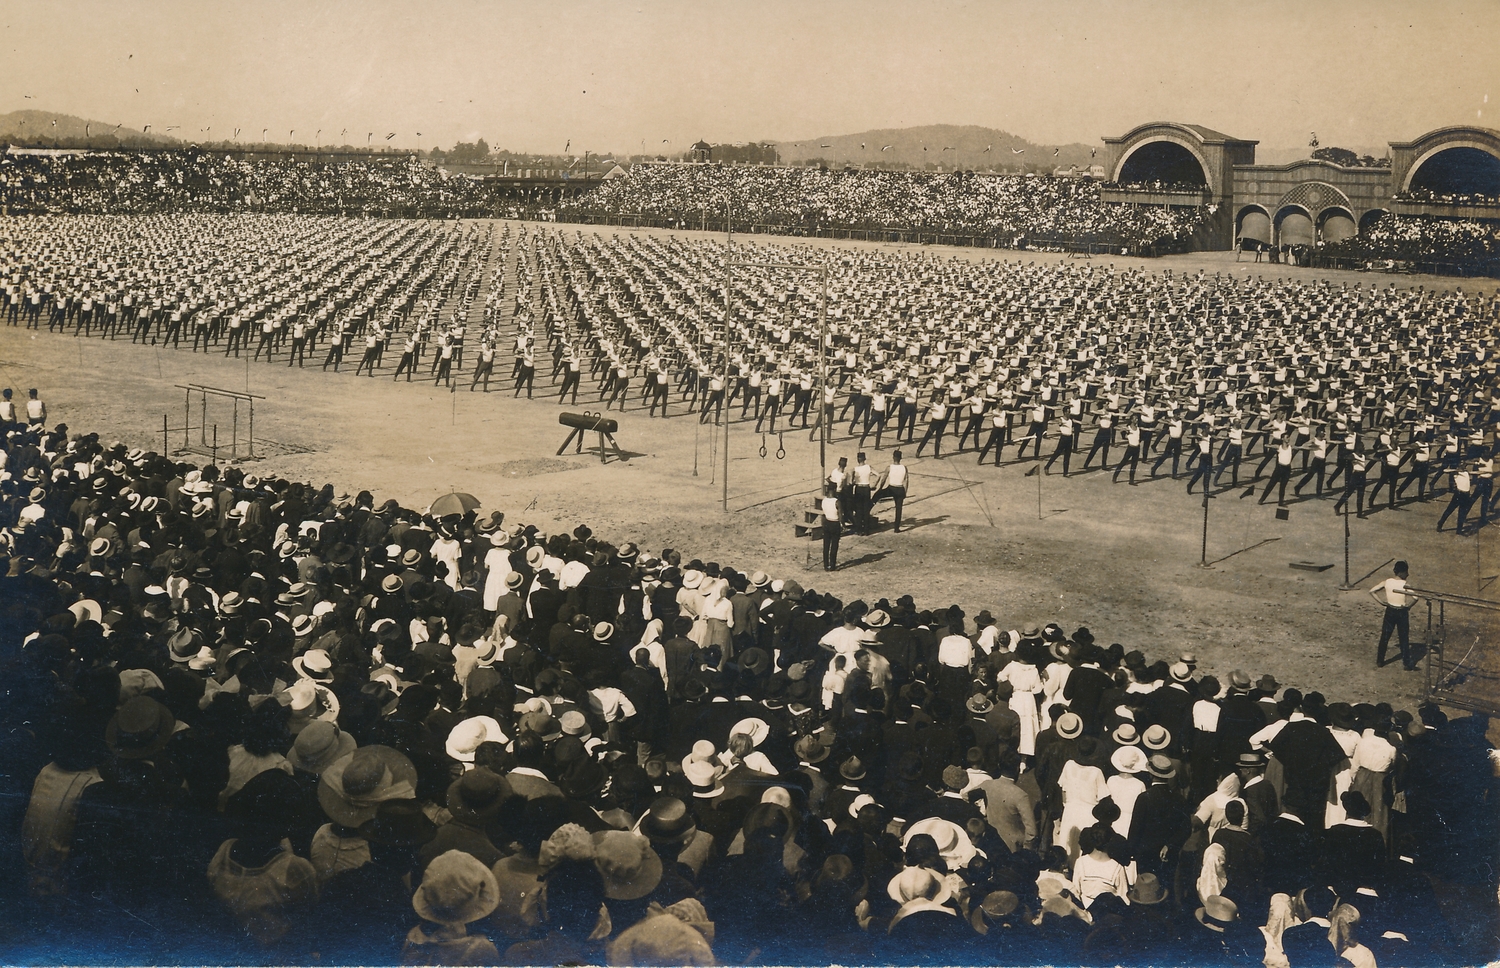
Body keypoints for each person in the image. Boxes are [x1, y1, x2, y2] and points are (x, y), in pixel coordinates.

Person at [1369, 560, 1419, 671]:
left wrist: (1382, 602)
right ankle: (1406, 663)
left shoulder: (1387, 582)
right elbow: (1416, 597)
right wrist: (1409, 607)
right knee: (1404, 638)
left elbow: (1372, 591)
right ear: (1401, 573)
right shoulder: (1405, 584)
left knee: (1385, 637)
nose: (1408, 574)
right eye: (1406, 572)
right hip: (1401, 612)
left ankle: (1380, 661)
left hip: (1390, 611)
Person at [884, 451, 909, 533]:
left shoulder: (889, 467)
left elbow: (883, 479)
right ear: (900, 458)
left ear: (893, 457)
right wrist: (905, 491)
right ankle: (896, 528)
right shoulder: (904, 467)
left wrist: (880, 489)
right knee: (899, 508)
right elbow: (906, 481)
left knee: (877, 496)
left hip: (891, 488)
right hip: (900, 489)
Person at [820, 482, 842, 572]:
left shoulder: (824, 500)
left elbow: (823, 513)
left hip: (827, 522)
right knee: (834, 545)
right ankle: (832, 565)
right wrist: (842, 525)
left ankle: (826, 565)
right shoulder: (837, 501)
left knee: (826, 545)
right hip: (835, 523)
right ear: (834, 490)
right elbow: (840, 516)